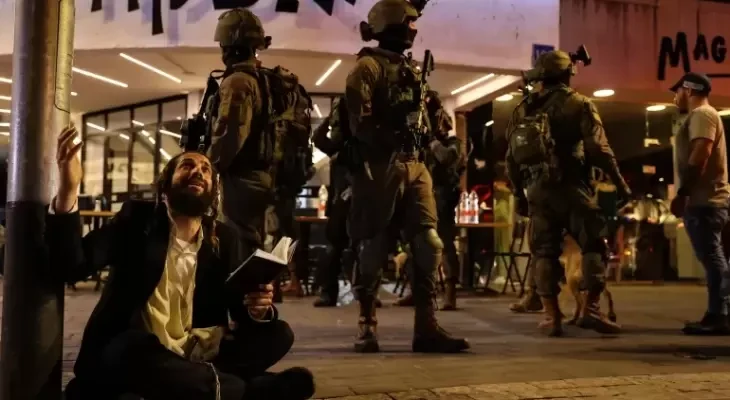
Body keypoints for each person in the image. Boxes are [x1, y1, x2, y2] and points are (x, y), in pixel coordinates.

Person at [52, 127, 314, 400]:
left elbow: (241, 309)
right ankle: (243, 391)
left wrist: (259, 310)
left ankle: (197, 386)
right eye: (187, 165)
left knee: (279, 334)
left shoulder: (225, 239)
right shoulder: (138, 220)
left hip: (198, 350)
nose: (198, 171)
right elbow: (73, 266)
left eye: (205, 170)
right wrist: (68, 190)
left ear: (213, 191)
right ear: (166, 185)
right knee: (130, 348)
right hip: (141, 350)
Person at [345, 0, 469, 353]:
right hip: (380, 165)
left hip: (416, 164)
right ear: (392, 25)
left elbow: (432, 122)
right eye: (409, 23)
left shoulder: (411, 70)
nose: (414, 29)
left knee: (429, 244)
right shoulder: (367, 68)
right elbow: (359, 123)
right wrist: (394, 129)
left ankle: (426, 327)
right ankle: (366, 324)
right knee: (372, 247)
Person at [505, 50, 630, 337]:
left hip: (538, 191)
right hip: (573, 187)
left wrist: (520, 195)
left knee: (543, 253)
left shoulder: (523, 109)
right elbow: (599, 149)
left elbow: (511, 158)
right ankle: (591, 310)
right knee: (594, 244)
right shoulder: (580, 104)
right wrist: (620, 183)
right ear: (567, 74)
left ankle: (552, 317)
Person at [209, 8, 311, 264]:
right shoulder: (267, 81)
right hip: (268, 175)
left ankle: (247, 289)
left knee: (239, 244)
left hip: (243, 178)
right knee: (256, 241)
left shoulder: (239, 82)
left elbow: (230, 136)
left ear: (228, 45)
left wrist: (207, 166)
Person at [669, 72, 730, 335]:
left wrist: (684, 193)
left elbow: (701, 153)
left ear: (689, 90)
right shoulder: (702, 115)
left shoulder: (702, 115)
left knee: (714, 260)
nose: (675, 97)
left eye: (677, 91)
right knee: (716, 259)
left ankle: (719, 315)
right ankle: (719, 313)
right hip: (708, 201)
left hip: (705, 202)